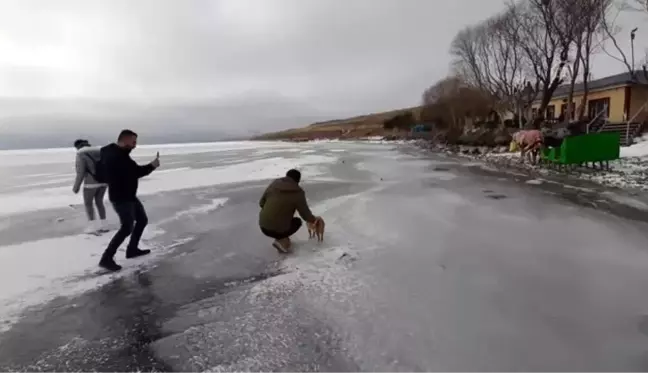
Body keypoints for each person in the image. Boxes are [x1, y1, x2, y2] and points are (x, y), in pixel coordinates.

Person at [98, 130, 160, 271]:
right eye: (133, 142)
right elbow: (136, 172)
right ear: (124, 141)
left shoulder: (115, 153)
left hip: (129, 195)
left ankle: (132, 249)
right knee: (127, 227)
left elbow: (132, 171)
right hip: (121, 197)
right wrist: (152, 165)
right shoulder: (117, 157)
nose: (135, 145)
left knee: (142, 220)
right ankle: (106, 258)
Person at [258, 169, 320, 253]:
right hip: (277, 228)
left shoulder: (274, 184)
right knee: (297, 222)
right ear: (298, 180)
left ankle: (281, 237)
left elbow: (261, 203)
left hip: (263, 225)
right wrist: (314, 220)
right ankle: (281, 241)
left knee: (279, 221)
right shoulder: (298, 192)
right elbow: (306, 216)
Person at [72, 139, 109, 234]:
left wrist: (76, 187)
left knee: (88, 204)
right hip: (104, 181)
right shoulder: (100, 152)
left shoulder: (81, 154)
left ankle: (92, 227)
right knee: (99, 202)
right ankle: (104, 225)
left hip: (90, 183)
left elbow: (80, 172)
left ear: (78, 147)